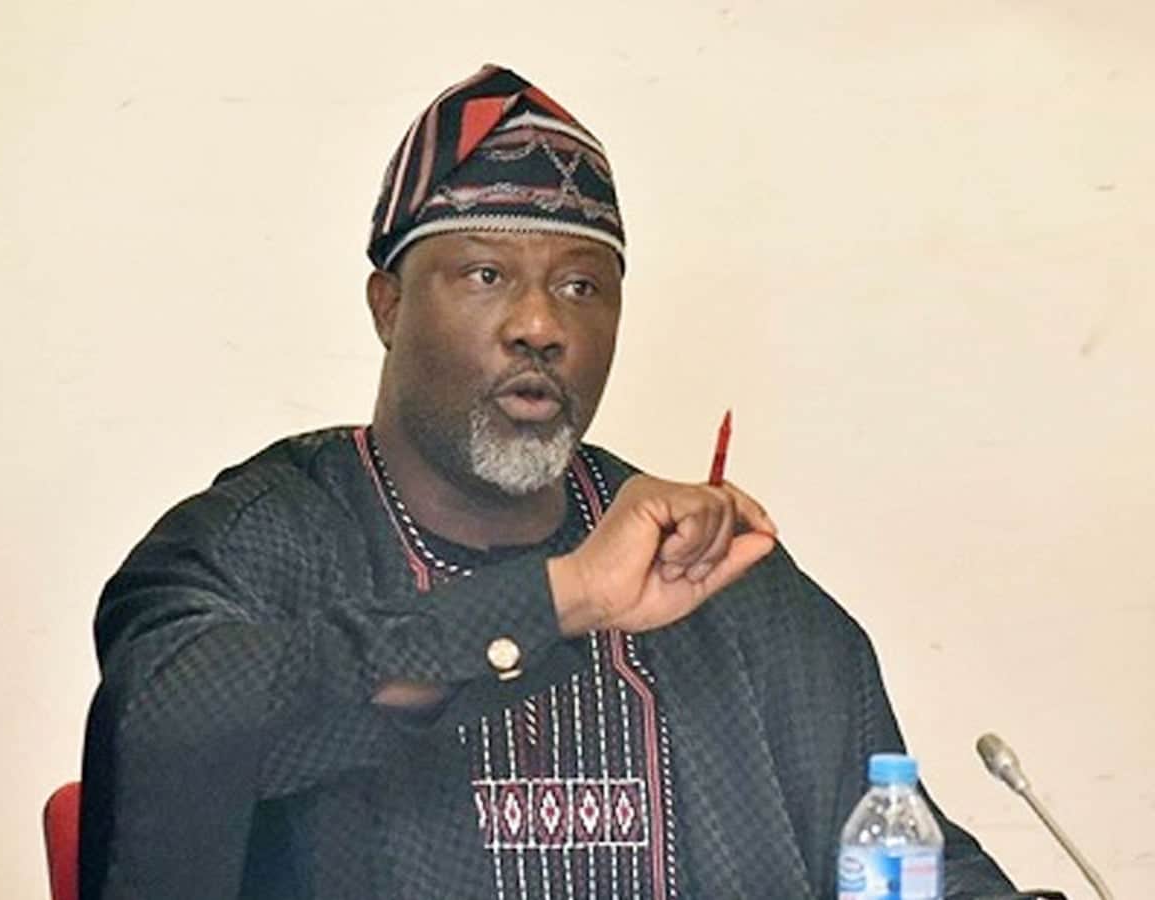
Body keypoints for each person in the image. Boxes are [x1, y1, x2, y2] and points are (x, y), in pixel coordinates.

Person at [79, 65, 1021, 899]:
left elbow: (905, 857)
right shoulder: (262, 540)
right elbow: (169, 724)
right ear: (388, 306)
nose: (540, 325)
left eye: (580, 287)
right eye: (487, 274)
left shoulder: (716, 576)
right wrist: (562, 598)